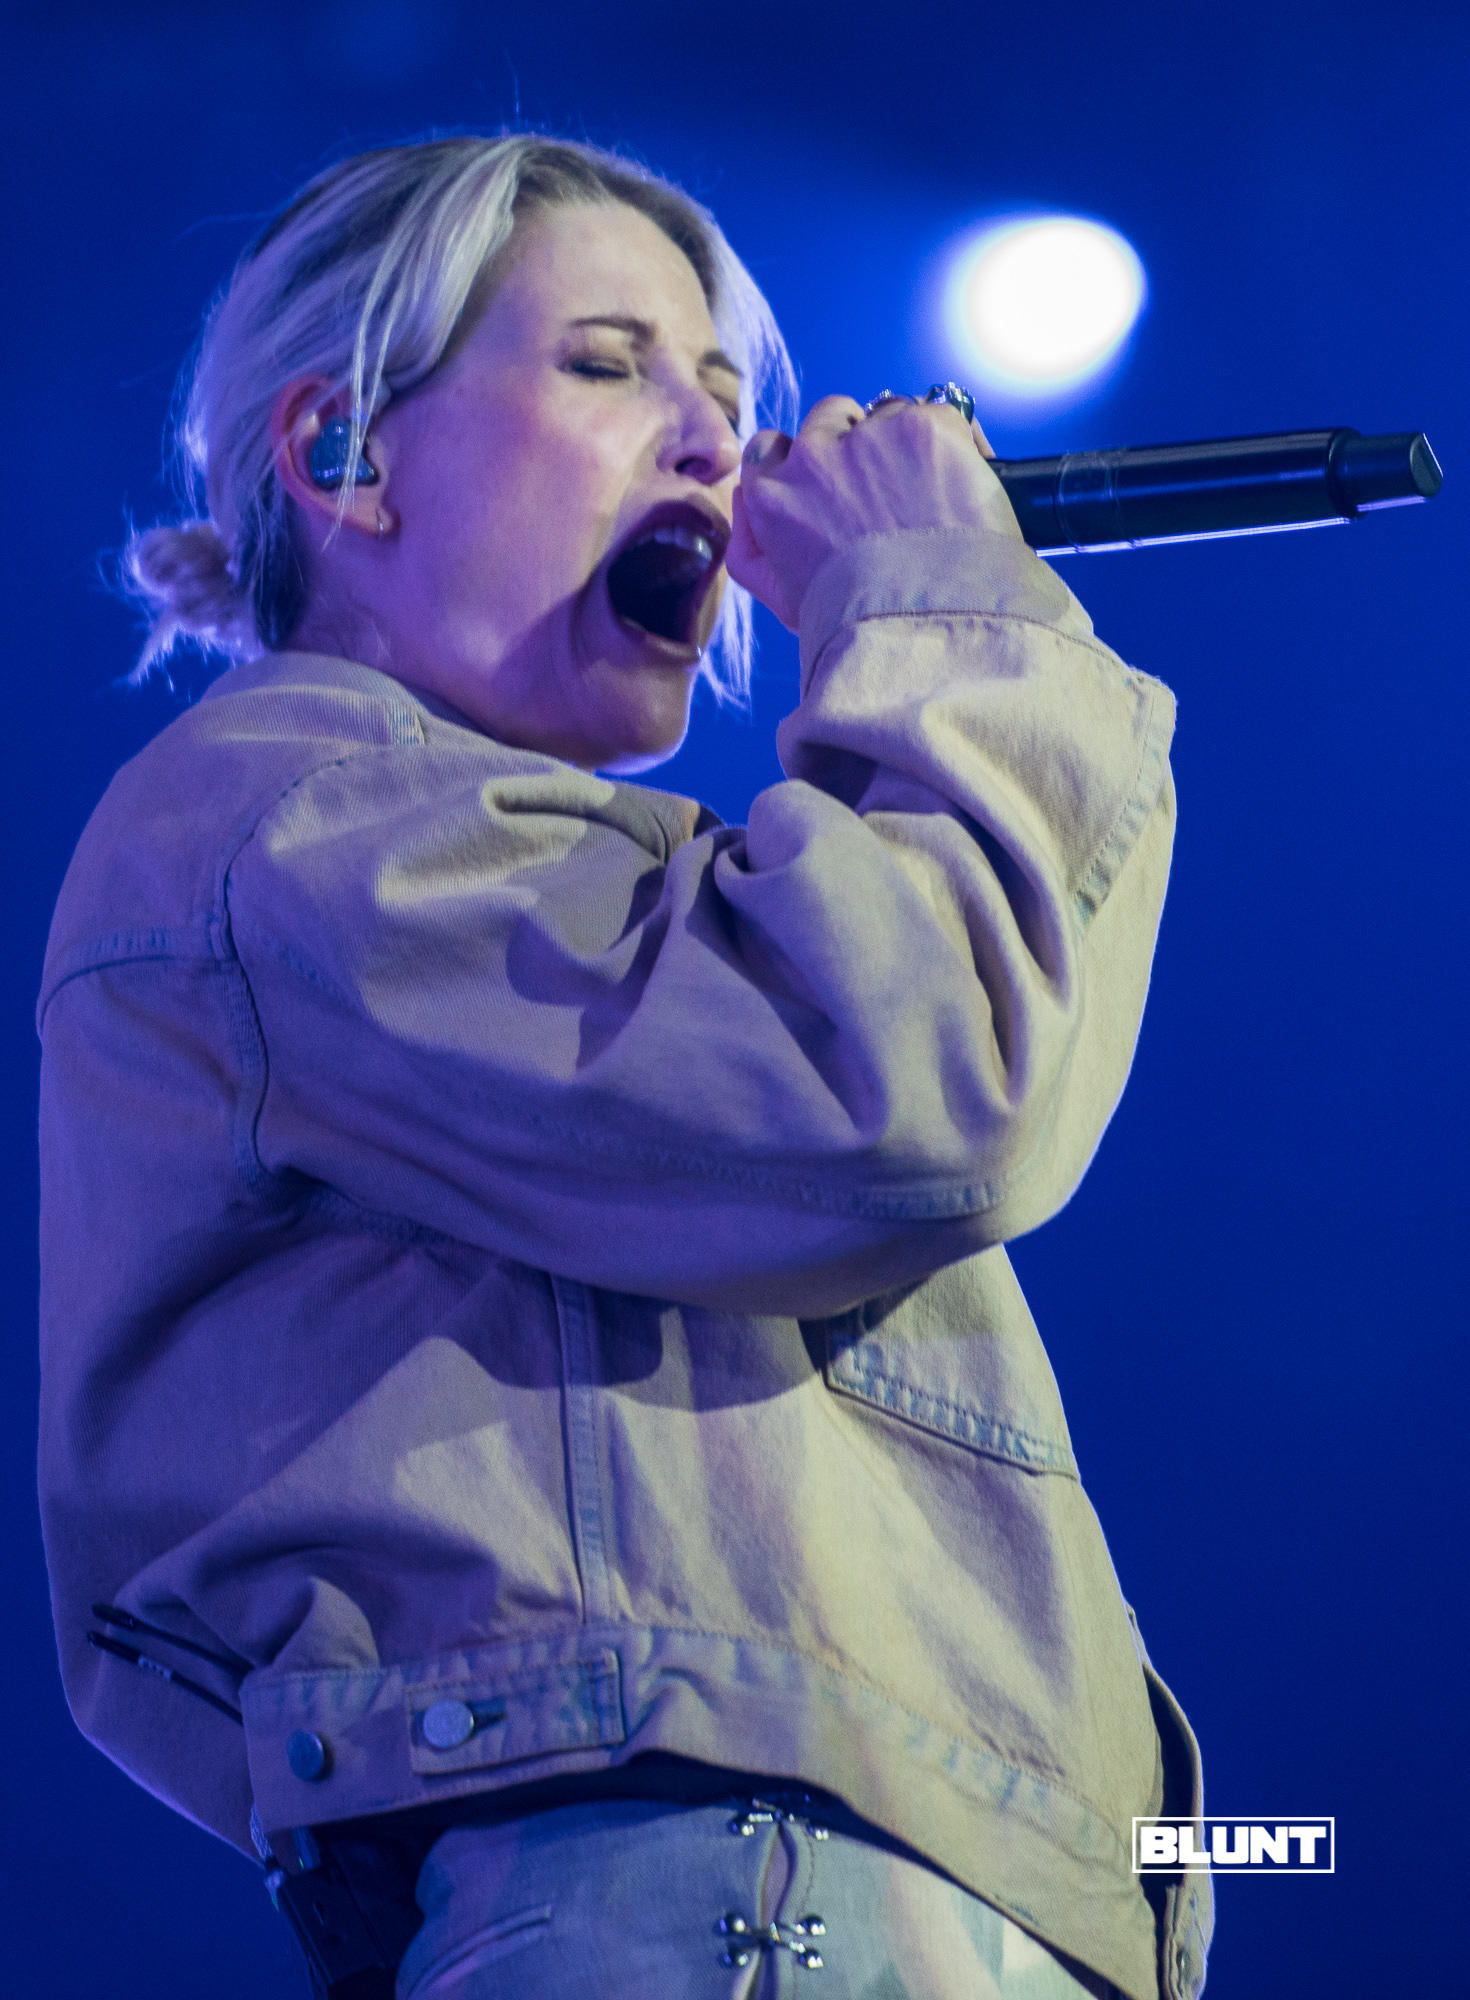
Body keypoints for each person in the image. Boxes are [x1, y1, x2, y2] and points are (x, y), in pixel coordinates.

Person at [37, 135, 1212, 2000]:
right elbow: (907, 1080)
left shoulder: (592, 887)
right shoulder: (290, 812)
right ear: (343, 456)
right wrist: (933, 602)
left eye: (729, 398)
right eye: (608, 365)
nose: (713, 448)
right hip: (721, 1908)